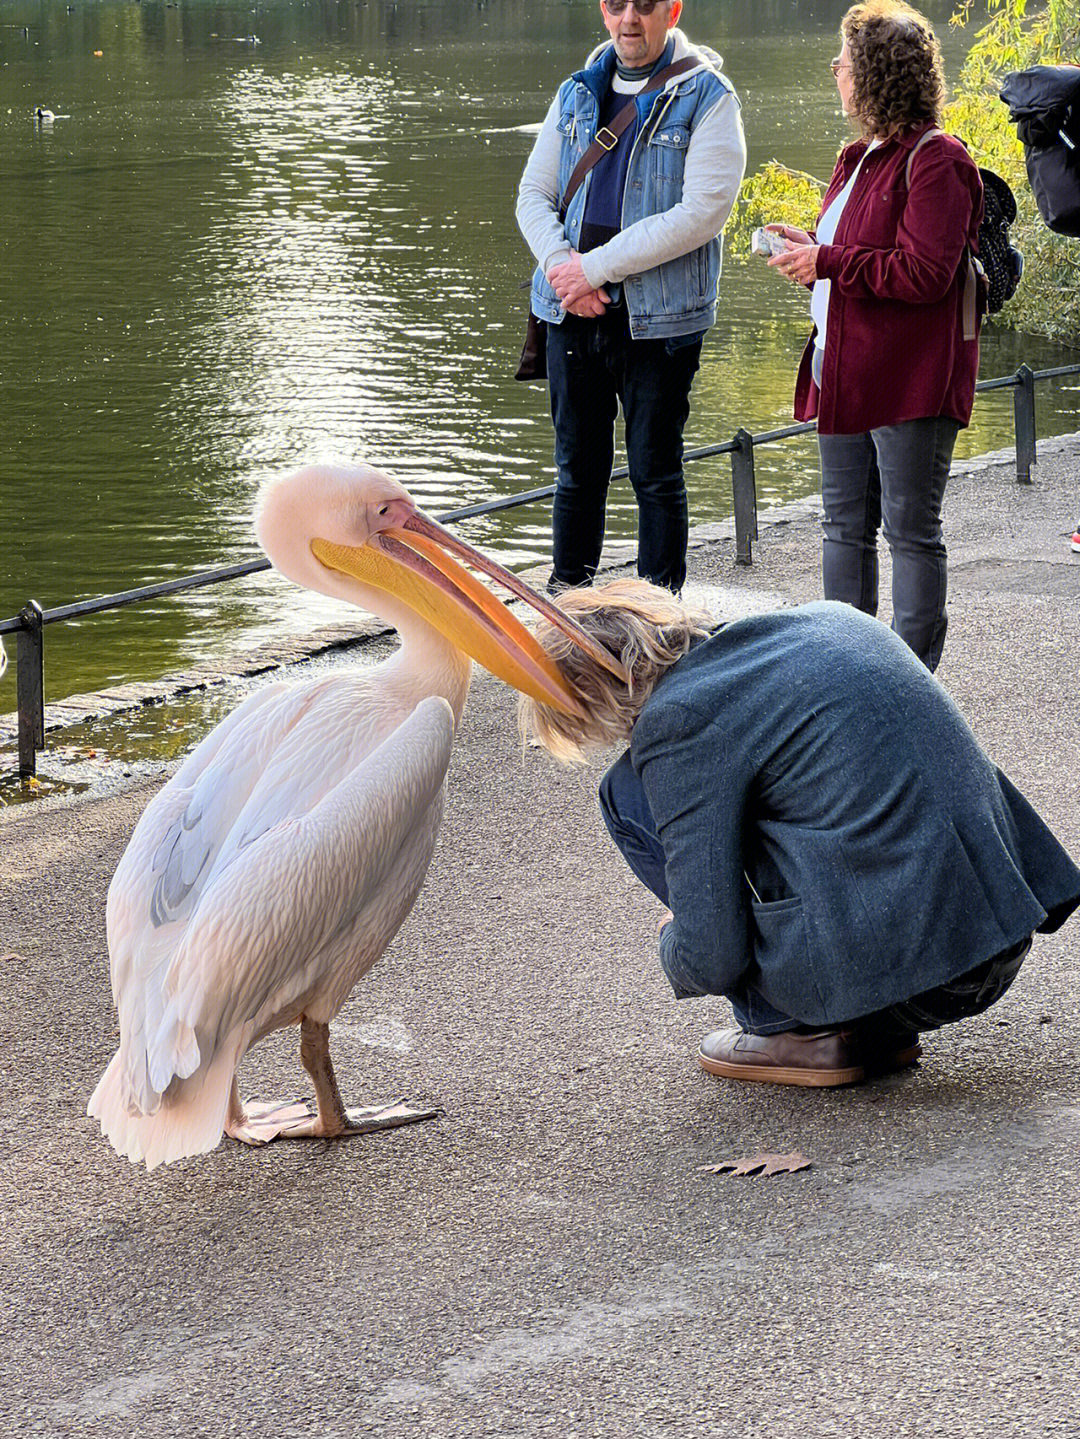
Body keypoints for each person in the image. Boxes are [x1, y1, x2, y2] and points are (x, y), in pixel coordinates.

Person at [520, 578, 1080, 1087]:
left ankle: (797, 1030)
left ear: (590, 700)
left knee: (624, 794)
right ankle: (854, 1020)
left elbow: (710, 958)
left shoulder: (678, 721)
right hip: (1001, 934)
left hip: (926, 980)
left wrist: (680, 939)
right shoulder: (830, 618)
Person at [763, 1, 983, 672]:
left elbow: (924, 274)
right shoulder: (857, 157)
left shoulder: (937, 159)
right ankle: (849, 676)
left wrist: (828, 261)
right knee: (841, 529)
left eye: (844, 63)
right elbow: (857, 255)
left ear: (874, 74)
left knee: (910, 534)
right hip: (844, 368)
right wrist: (813, 251)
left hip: (908, 378)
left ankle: (911, 684)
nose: (836, 74)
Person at [516, 0, 746, 595]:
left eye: (645, 6)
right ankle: (568, 621)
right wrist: (564, 267)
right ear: (603, 9)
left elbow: (701, 214)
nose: (630, 20)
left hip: (658, 320)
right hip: (573, 310)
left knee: (655, 473)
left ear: (671, 10)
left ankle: (660, 629)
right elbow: (534, 194)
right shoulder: (576, 90)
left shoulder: (709, 97)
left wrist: (593, 268)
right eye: (617, 5)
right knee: (577, 476)